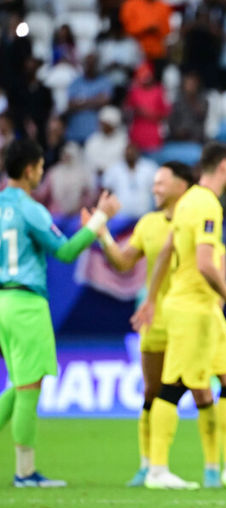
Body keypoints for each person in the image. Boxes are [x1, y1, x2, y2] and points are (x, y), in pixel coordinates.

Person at [132, 141, 226, 490]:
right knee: (176, 383)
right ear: (225, 165)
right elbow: (204, 264)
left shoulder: (187, 203)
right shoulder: (207, 205)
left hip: (204, 309)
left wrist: (151, 298)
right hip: (192, 307)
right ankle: (157, 470)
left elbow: (167, 250)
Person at [0, 139, 115, 486]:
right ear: (30, 168)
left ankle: (25, 471)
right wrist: (99, 221)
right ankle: (25, 472)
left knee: (16, 384)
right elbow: (65, 252)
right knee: (27, 388)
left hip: (3, 301)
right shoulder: (29, 208)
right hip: (26, 303)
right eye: (39, 167)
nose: (41, 173)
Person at [94, 161, 193, 486]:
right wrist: (104, 233)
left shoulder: (196, 219)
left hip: (190, 320)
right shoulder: (148, 224)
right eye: (154, 183)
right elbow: (123, 262)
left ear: (182, 185)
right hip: (155, 319)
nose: (155, 188)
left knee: (200, 392)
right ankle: (148, 465)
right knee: (152, 391)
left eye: (161, 182)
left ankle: (216, 466)